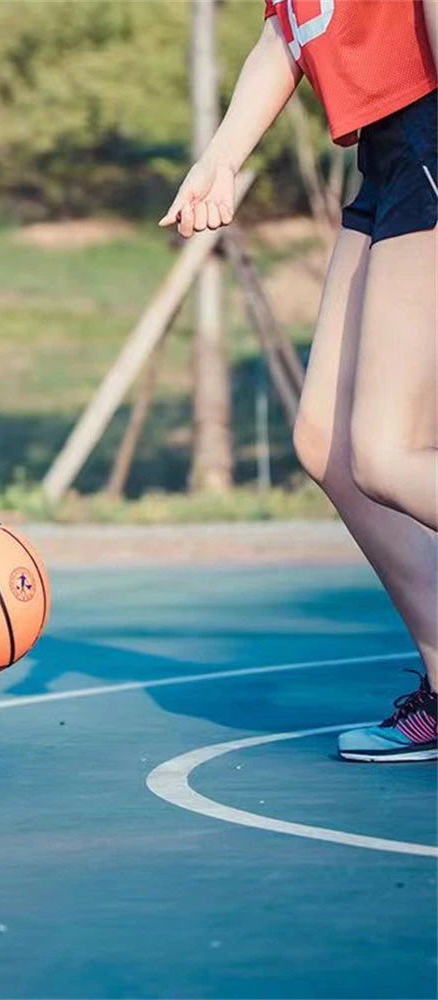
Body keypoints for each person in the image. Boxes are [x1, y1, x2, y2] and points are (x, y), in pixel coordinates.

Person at [161, 0, 437, 761]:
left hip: (431, 140)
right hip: (388, 157)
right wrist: (221, 157)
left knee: (388, 454)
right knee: (329, 449)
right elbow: (286, 32)